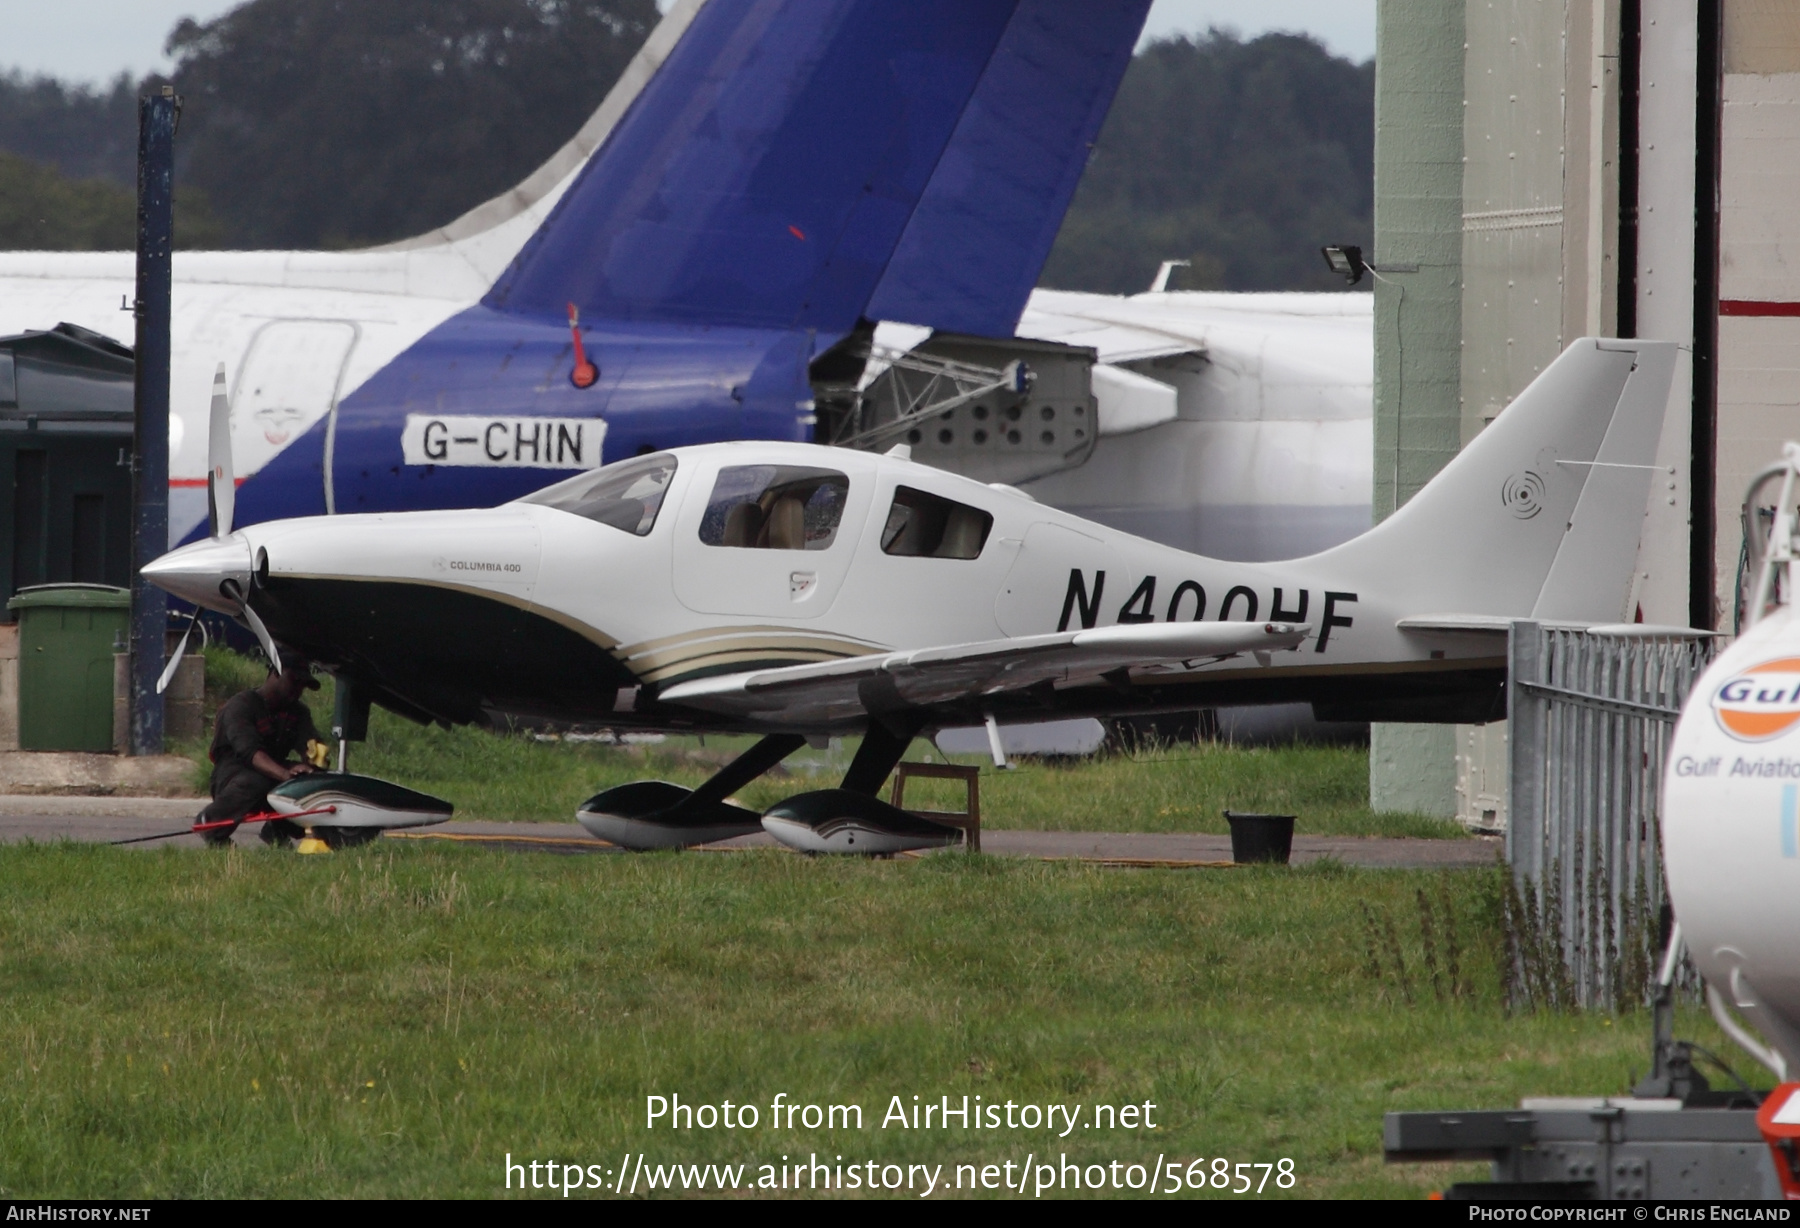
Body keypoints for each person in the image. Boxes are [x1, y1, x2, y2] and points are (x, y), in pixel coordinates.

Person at [198, 656, 325, 847]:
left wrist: (312, 763)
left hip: (275, 770)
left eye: (303, 685)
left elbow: (310, 744)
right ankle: (212, 827)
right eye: (294, 681)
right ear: (275, 673)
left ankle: (277, 831)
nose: (298, 689)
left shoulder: (299, 712)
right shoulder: (241, 706)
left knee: (315, 781)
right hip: (233, 773)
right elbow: (251, 753)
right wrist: (285, 774)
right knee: (255, 781)